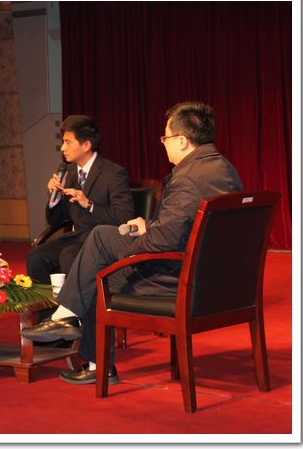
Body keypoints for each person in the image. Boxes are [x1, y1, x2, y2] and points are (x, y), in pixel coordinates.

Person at [22, 101, 243, 384]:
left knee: (96, 269)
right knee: (101, 244)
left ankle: (86, 347)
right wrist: (148, 227)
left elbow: (165, 240)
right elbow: (186, 228)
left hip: (179, 278)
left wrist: (129, 252)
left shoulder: (187, 178)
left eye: (165, 137)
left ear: (182, 141)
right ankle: (69, 320)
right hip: (216, 278)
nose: (163, 144)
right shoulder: (223, 168)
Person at [26, 115, 133, 325]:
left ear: (86, 145)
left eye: (68, 142)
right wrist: (54, 198)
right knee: (36, 257)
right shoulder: (68, 172)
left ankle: (75, 324)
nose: (62, 148)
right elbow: (55, 222)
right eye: (62, 142)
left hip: (100, 242)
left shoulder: (113, 173)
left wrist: (89, 204)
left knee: (68, 256)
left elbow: (123, 217)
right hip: (76, 237)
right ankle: (49, 323)